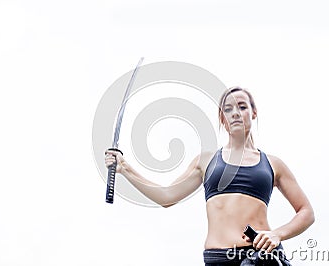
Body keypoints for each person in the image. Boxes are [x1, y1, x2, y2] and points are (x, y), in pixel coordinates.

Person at [105, 87, 315, 265]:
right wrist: (125, 168)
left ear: (254, 113)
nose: (235, 113)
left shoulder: (272, 164)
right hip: (218, 259)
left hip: (260, 257)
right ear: (222, 119)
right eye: (228, 109)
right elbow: (167, 196)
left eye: (242, 106)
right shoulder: (205, 161)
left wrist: (277, 234)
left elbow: (306, 212)